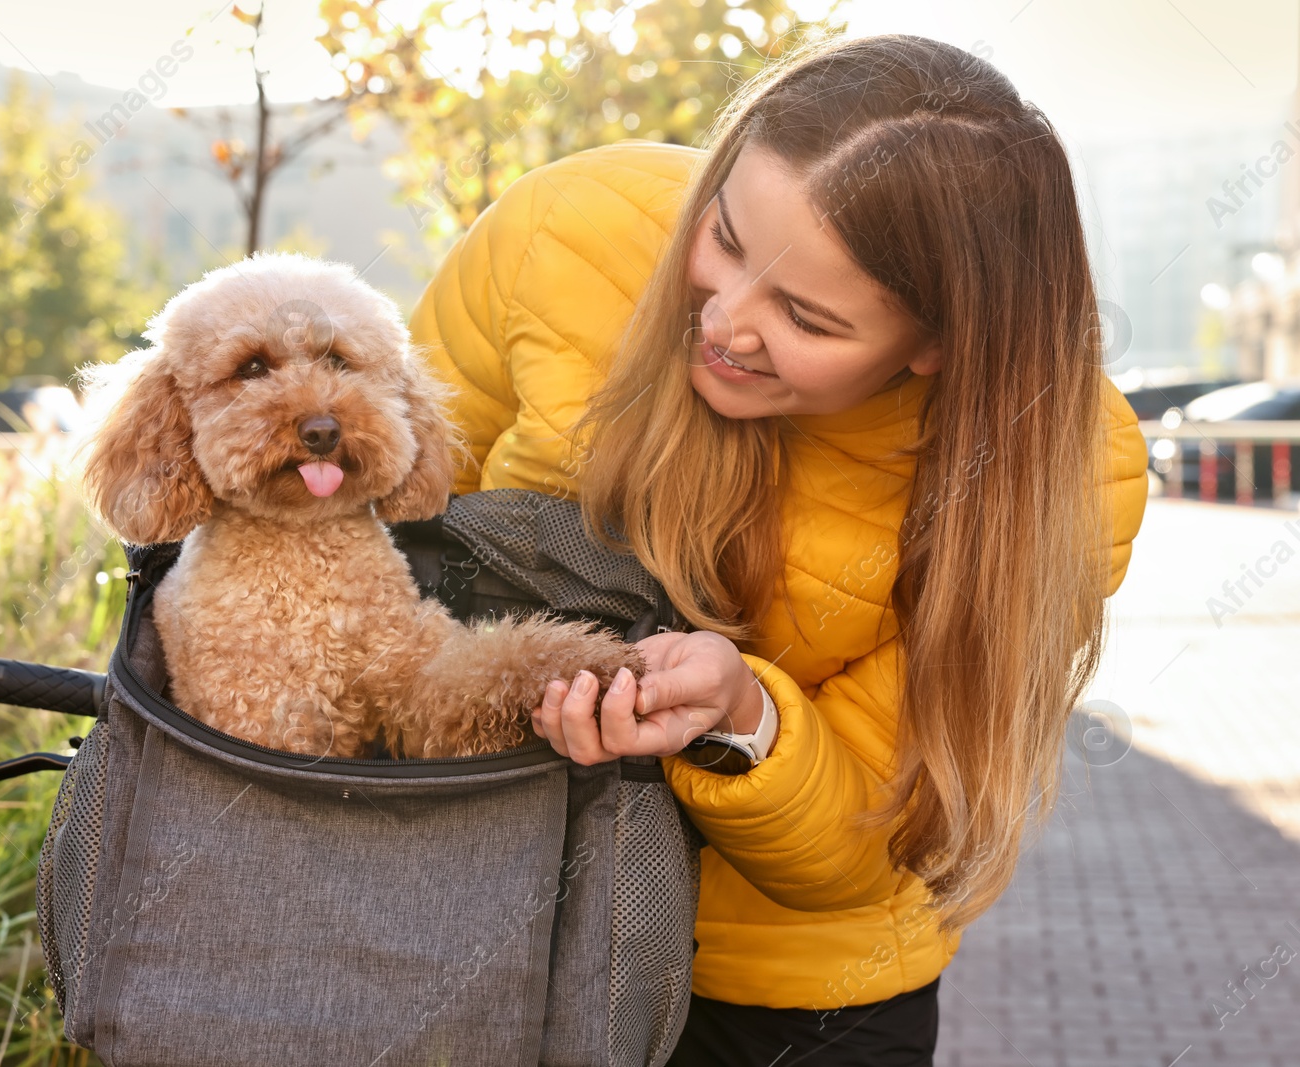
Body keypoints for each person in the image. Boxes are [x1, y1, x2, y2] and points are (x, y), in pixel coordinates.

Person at [408, 33, 1149, 1065]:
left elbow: (876, 826)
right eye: (722, 234)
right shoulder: (568, 231)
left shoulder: (1061, 472)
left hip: (792, 1000)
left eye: (803, 315)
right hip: (484, 919)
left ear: (939, 344)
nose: (722, 319)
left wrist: (739, 715)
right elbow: (384, 495)